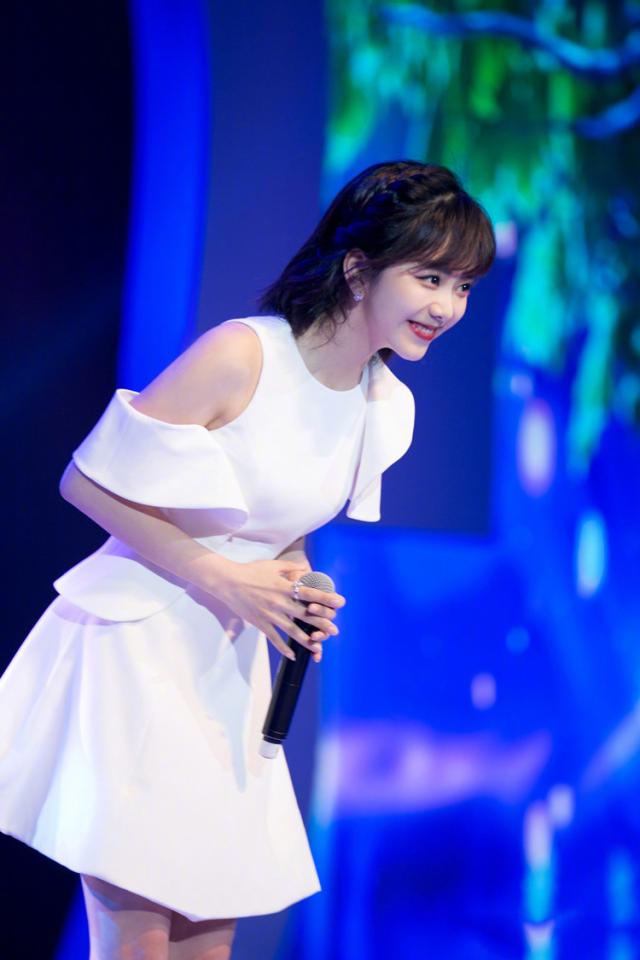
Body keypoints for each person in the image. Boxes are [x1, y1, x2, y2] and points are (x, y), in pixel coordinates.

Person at [0, 160, 495, 959]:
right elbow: (87, 481)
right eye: (430, 277)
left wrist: (295, 589)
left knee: (208, 937)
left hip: (226, 668)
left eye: (464, 286)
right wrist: (223, 578)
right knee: (137, 935)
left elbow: (274, 533)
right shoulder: (244, 354)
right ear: (358, 269)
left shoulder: (384, 406)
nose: (447, 306)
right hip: (137, 643)